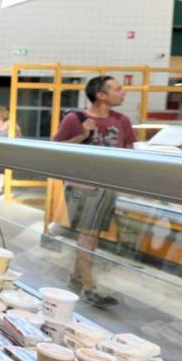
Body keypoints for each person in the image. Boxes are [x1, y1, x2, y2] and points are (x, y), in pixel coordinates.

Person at [53, 76, 134, 308]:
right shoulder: (75, 119)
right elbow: (55, 148)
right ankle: (89, 286)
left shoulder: (122, 121)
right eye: (118, 89)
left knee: (92, 236)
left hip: (107, 187)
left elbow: (129, 152)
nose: (123, 92)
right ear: (101, 95)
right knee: (88, 235)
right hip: (81, 186)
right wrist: (82, 136)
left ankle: (77, 279)